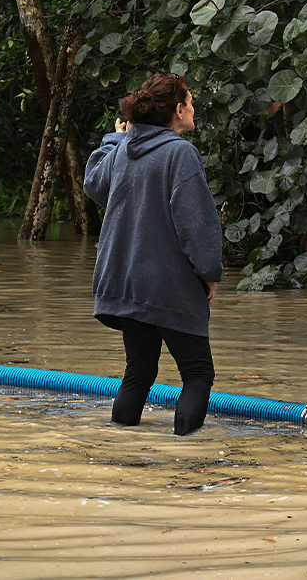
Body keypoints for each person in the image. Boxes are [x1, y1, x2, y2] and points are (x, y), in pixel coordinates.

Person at [83, 72, 224, 436]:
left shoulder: (124, 149)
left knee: (140, 372)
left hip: (126, 284)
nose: (194, 109)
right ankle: (185, 456)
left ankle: (121, 447)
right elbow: (197, 226)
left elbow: (95, 185)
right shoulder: (181, 153)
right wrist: (208, 273)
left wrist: (116, 138)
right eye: (190, 103)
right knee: (198, 374)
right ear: (178, 110)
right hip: (169, 285)